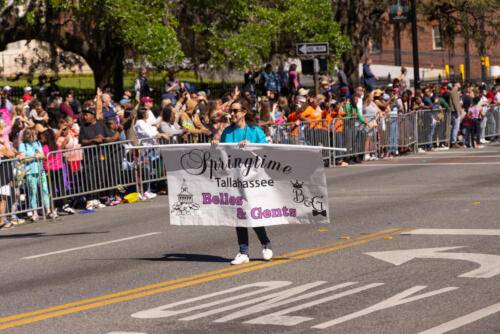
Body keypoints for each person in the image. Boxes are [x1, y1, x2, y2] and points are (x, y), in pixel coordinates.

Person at [211, 100, 273, 265]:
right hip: (234, 179)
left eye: (236, 111)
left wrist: (250, 145)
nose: (232, 114)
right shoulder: (227, 131)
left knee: (253, 214)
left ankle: (265, 243)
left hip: (252, 180)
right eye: (231, 111)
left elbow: (266, 151)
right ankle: (243, 252)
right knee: (239, 215)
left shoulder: (254, 131)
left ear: (244, 112)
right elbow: (222, 153)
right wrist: (215, 145)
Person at [18, 127, 54, 221]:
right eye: (35, 134)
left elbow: (43, 156)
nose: (36, 136)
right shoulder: (23, 145)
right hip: (30, 171)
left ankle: (48, 210)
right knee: (33, 192)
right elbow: (22, 159)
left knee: (45, 190)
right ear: (29, 135)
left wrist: (39, 156)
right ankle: (35, 213)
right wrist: (34, 156)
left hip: (40, 170)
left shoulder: (37, 143)